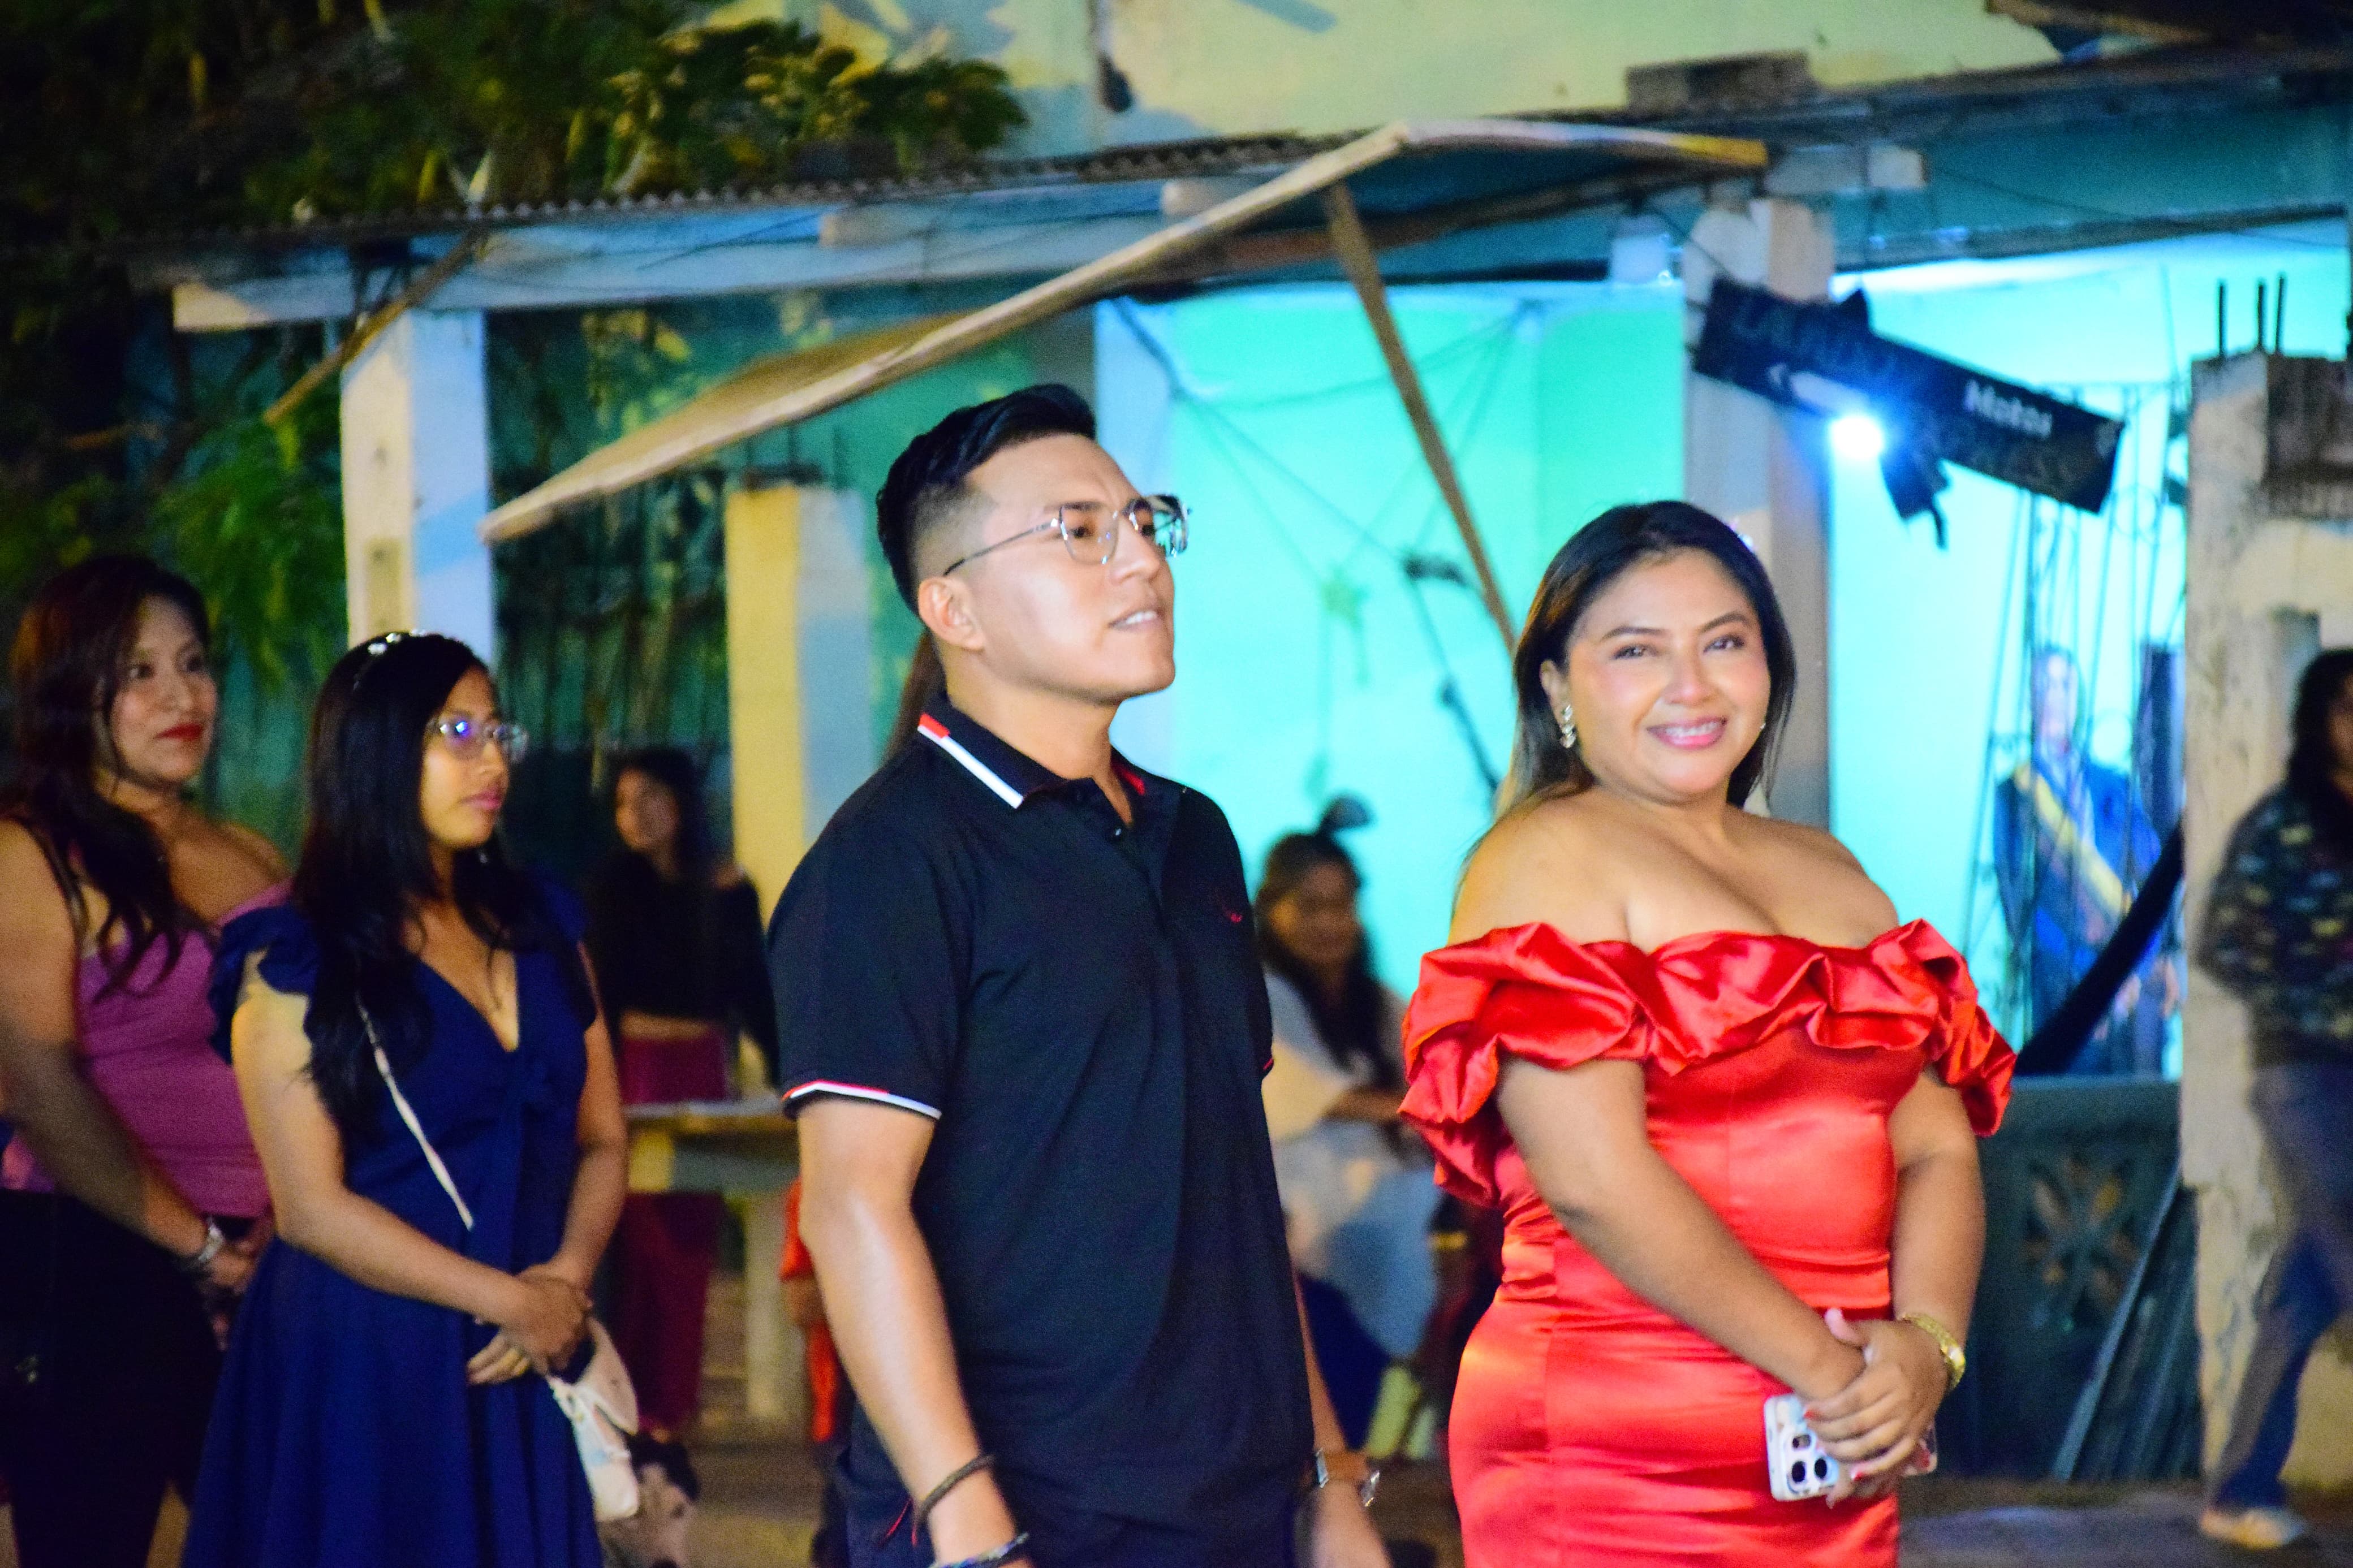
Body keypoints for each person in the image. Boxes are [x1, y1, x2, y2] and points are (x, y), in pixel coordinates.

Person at [770, 385, 1388, 1568]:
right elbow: (853, 1206)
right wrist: (965, 1511)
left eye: (1146, 523)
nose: (1141, 561)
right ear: (954, 607)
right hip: (1031, 1505)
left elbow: (1233, 1182)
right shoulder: (891, 860)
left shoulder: (1192, 836)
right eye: (1079, 530)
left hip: (1233, 1497)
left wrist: (1327, 1475)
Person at [1402, 502, 2014, 1566]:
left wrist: (1926, 1347)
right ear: (1557, 687)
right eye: (1636, 651)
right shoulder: (1546, 855)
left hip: (1832, 1444)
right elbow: (1595, 1178)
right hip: (1621, 1443)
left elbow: (1934, 1145)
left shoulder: (1833, 871)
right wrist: (1834, 1377)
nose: (1691, 686)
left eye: (1724, 642)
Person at [183, 630, 627, 1568]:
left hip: (527, 1337)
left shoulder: (543, 923)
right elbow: (310, 1207)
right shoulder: (297, 954)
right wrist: (509, 1299)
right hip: (368, 1348)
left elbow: (603, 1139)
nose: (492, 760)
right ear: (374, 750)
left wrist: (565, 1279)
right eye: (456, 732)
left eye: (497, 730)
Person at [0, 555, 283, 1568]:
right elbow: (42, 1087)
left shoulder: (252, 852)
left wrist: (286, 1223)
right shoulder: (28, 855)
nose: (181, 696)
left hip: (270, 1257)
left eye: (195, 663)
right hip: (92, 1260)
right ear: (69, 690)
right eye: (139, 672)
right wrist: (202, 1248)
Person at [2193, 648, 2353, 1550]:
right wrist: (2323, 1003)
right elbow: (2227, 943)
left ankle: (2240, 1487)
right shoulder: (2286, 823)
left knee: (2305, 1288)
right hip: (2303, 1074)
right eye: (2347, 708)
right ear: (2317, 720)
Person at [584, 745, 777, 1440]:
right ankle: (631, 1403)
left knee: (693, 1235)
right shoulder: (612, 888)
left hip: (701, 1066)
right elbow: (602, 996)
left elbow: (752, 991)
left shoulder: (725, 887)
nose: (633, 815)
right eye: (623, 803)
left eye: (649, 799)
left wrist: (789, 1073)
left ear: (681, 803)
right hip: (634, 1067)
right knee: (640, 1237)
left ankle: (675, 1402)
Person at [1256, 809, 1438, 1448]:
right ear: (1270, 907)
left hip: (1389, 1235)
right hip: (1298, 1250)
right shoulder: (1254, 993)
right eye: (1310, 906)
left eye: (1340, 905)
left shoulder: (1379, 1001)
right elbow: (1295, 1091)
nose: (1329, 923)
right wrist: (1420, 1105)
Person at [1993, 647, 2176, 1072]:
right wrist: (2093, 980)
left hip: (2131, 995)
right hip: (2062, 994)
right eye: (2044, 684)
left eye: (2065, 685)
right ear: (2028, 698)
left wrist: (2134, 970)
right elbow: (2018, 907)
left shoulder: (2114, 784)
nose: (2055, 696)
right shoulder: (2016, 793)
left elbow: (2154, 882)